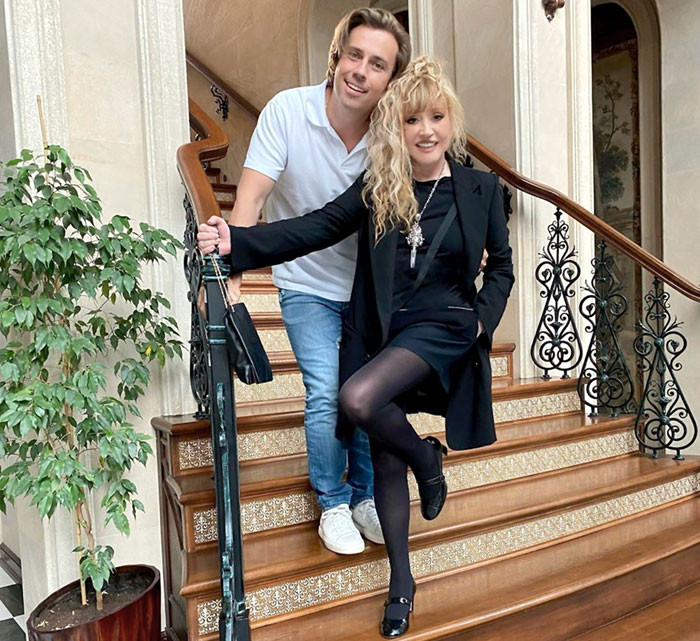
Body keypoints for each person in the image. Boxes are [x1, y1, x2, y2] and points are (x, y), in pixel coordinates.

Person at [199, 56, 514, 638]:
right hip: (386, 331)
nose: (425, 131)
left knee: (356, 397)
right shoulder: (380, 186)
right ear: (397, 128)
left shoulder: (481, 189)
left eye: (436, 117)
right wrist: (235, 241)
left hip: (446, 326)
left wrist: (481, 323)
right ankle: (402, 583)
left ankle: (428, 460)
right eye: (412, 119)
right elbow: (314, 227)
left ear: (452, 122)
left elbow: (502, 269)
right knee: (385, 455)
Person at [219, 8, 411, 555]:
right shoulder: (288, 111)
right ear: (337, 57)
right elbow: (251, 197)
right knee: (327, 389)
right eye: (355, 55)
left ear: (390, 80)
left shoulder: (390, 135)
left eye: (378, 64)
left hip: (369, 289)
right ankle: (333, 502)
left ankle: (367, 496)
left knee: (369, 393)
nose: (361, 71)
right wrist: (233, 276)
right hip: (306, 282)